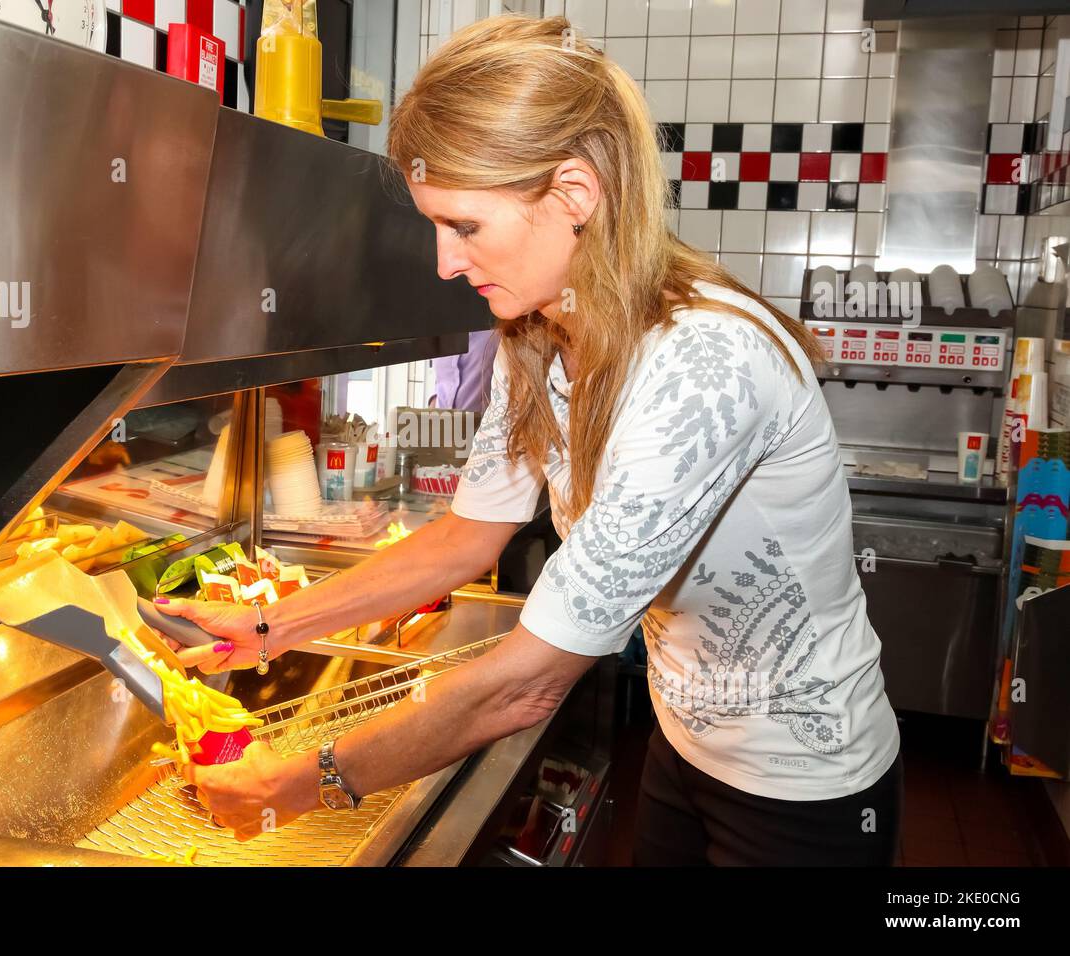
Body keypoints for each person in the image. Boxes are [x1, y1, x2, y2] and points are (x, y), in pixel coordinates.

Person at [153, 15, 903, 865]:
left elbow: (529, 683)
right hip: (684, 741)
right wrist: (267, 626)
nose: (444, 261)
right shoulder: (543, 328)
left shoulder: (703, 365)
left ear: (575, 195)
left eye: (464, 226)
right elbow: (468, 534)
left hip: (807, 785)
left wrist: (299, 783)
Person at [429, 329, 498, 412]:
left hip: (480, 422)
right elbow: (442, 379)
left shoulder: (495, 331)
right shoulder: (440, 330)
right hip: (439, 420)